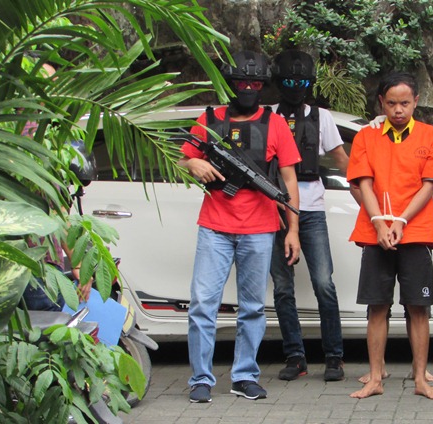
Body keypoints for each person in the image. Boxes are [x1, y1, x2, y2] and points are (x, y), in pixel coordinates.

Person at [179, 50, 301, 403]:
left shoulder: (275, 124)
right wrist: (192, 165)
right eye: (241, 83)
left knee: (252, 308)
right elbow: (180, 158)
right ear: (229, 83)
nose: (248, 89)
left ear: (263, 86)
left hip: (260, 228)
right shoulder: (208, 119)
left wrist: (293, 230)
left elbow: (289, 180)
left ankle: (244, 376)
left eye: (255, 84)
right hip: (214, 226)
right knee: (203, 304)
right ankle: (200, 379)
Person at [347, 72, 433, 400]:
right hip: (375, 232)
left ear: (416, 101)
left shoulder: (430, 135)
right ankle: (375, 378)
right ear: (381, 103)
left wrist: (401, 221)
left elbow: (430, 185)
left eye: (405, 103)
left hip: (415, 231)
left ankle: (420, 379)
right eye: (391, 103)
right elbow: (363, 183)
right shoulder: (367, 136)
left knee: (418, 307)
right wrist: (379, 223)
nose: (398, 110)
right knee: (377, 306)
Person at [269, 49, 348, 382]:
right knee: (282, 288)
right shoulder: (267, 115)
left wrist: (366, 185)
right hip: (274, 209)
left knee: (323, 283)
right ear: (278, 82)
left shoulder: (321, 117)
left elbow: (341, 158)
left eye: (301, 82)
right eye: (289, 82)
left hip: (312, 208)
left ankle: (334, 357)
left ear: (310, 83)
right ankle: (295, 356)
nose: (295, 88)